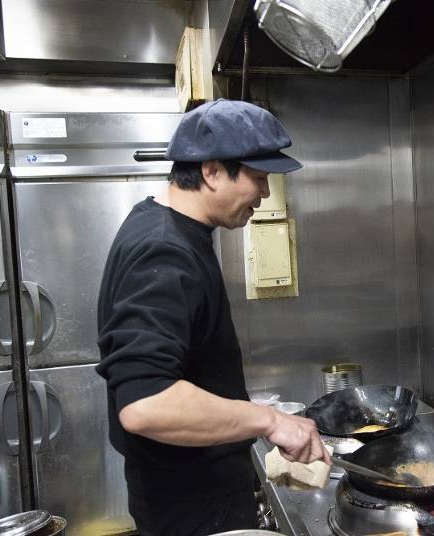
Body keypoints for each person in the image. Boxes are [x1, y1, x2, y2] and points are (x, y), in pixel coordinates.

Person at [96, 99, 330, 536]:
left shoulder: (168, 227)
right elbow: (146, 404)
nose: (264, 193)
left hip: (191, 490)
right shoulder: (163, 250)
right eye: (259, 178)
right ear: (211, 170)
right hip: (191, 504)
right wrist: (269, 420)